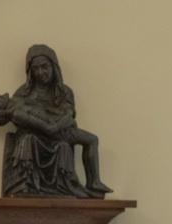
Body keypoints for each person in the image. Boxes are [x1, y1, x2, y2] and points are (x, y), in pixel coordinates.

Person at [7, 44, 110, 197]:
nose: (41, 72)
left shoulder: (64, 91)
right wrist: (42, 126)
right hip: (36, 134)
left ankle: (94, 181)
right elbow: (17, 118)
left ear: (54, 67)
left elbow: (68, 115)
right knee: (28, 139)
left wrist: (54, 127)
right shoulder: (23, 93)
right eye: (36, 68)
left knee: (91, 140)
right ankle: (27, 184)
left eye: (45, 66)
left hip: (60, 132)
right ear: (30, 71)